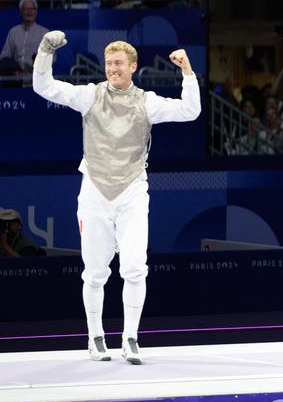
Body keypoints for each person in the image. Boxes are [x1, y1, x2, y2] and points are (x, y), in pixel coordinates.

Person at [32, 35, 201, 364]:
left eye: (119, 63)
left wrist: (187, 72)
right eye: (109, 63)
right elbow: (45, 87)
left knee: (135, 268)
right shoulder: (90, 95)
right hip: (95, 190)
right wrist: (44, 51)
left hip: (132, 190)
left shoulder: (146, 101)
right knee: (95, 272)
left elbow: (190, 110)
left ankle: (130, 338)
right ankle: (95, 337)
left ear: (133, 67)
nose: (113, 69)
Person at [0, 0, 48, 73]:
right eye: (26, 9)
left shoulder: (44, 33)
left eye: (32, 9)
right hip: (16, 73)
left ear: (36, 11)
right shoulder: (13, 32)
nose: (29, 12)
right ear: (21, 11)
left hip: (37, 72)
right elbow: (5, 55)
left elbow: (51, 57)